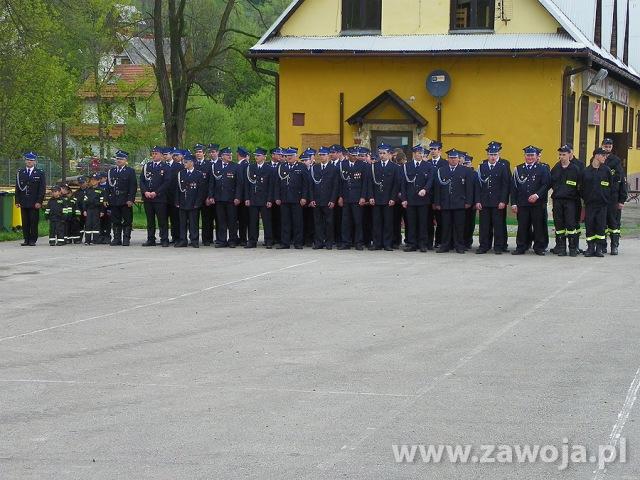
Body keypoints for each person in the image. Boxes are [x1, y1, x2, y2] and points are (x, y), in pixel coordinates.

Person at [510, 146, 550, 255]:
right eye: (528, 155)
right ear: (525, 156)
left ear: (536, 156)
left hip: (537, 203)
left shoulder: (542, 168)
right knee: (522, 226)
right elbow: (514, 188)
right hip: (522, 203)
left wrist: (537, 195)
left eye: (532, 155)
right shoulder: (518, 169)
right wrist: (513, 203)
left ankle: (539, 248)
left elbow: (546, 184)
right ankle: (521, 246)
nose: (530, 157)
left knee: (538, 226)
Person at [432, 149, 474, 253]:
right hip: (445, 203)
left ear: (458, 159)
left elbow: (468, 188)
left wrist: (469, 202)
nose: (453, 160)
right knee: (445, 225)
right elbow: (437, 188)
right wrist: (437, 202)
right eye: (451, 158)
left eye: (455, 158)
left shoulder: (465, 170)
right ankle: (445, 245)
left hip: (460, 203)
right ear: (447, 159)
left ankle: (459, 246)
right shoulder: (441, 170)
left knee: (459, 226)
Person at [475, 143, 510, 254]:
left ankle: (498, 246)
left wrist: (503, 201)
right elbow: (478, 186)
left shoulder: (502, 167)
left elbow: (505, 185)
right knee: (484, 226)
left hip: (497, 202)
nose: (493, 157)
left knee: (498, 225)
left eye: (495, 154)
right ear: (487, 155)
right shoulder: (482, 167)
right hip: (484, 201)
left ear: (498, 154)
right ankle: (484, 246)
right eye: (491, 154)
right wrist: (478, 200)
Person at [366, 144, 400, 251]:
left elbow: (396, 185)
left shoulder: (394, 167)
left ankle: (387, 243)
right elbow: (370, 183)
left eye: (384, 153)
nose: (381, 155)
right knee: (376, 222)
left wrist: (393, 198)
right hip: (376, 198)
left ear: (389, 154)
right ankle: (377, 243)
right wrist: (370, 196)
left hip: (388, 199)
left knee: (388, 223)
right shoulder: (374, 166)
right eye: (380, 153)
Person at [550, 144, 582, 257]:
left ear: (569, 154)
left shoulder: (575, 169)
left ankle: (573, 248)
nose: (562, 157)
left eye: (564, 154)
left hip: (571, 201)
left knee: (570, 225)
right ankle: (561, 248)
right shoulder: (556, 168)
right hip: (558, 200)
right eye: (560, 155)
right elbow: (549, 182)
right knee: (559, 225)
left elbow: (580, 186)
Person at [581, 148, 613, 257]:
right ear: (596, 156)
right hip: (590, 204)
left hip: (602, 204)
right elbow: (582, 188)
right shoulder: (586, 171)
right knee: (589, 226)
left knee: (601, 226)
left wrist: (605, 197)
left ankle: (599, 248)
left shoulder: (607, 170)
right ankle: (590, 248)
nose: (605, 157)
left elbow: (610, 187)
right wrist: (586, 198)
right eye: (603, 155)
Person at [274, 148, 309, 249]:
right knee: (285, 222)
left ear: (296, 156)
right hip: (284, 198)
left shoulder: (301, 166)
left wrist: (304, 197)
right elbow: (277, 184)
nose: (289, 157)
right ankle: (285, 243)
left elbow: (306, 184)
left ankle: (298, 243)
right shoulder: (282, 167)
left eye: (291, 155)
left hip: (297, 198)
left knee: (297, 222)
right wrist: (277, 197)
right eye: (287, 156)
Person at [400, 145, 433, 252]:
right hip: (410, 199)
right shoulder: (406, 166)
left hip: (423, 200)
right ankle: (412, 243)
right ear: (413, 154)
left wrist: (425, 189)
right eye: (418, 153)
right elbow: (403, 184)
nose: (420, 155)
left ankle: (423, 244)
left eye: (421, 153)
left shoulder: (428, 166)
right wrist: (404, 199)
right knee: (411, 223)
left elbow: (430, 180)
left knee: (423, 223)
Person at [208, 147, 241, 248]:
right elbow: (211, 183)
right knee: (221, 220)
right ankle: (222, 240)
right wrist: (211, 196)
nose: (230, 156)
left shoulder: (235, 166)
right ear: (222, 156)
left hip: (231, 198)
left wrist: (237, 197)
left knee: (232, 220)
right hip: (219, 198)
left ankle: (232, 240)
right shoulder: (215, 166)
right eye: (227, 154)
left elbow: (239, 184)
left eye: (230, 154)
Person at [337, 147, 368, 250]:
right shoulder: (342, 165)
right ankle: (346, 242)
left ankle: (358, 242)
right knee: (345, 222)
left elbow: (364, 183)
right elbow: (340, 183)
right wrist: (340, 196)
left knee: (358, 221)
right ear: (348, 155)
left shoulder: (362, 165)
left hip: (357, 197)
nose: (355, 157)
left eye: (356, 155)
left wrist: (363, 197)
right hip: (346, 197)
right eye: (353, 155)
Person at [309, 146, 340, 250]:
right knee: (317, 222)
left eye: (324, 155)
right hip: (317, 199)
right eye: (320, 155)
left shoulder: (334, 168)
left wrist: (332, 200)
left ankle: (329, 242)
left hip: (328, 200)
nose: (322, 157)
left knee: (329, 222)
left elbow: (335, 186)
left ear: (328, 156)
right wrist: (312, 199)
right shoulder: (315, 168)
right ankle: (318, 242)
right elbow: (311, 185)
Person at [601, 138, 628, 255]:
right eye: (605, 146)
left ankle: (614, 245)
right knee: (601, 222)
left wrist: (622, 200)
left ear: (611, 147)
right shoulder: (596, 158)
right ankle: (602, 246)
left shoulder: (616, 161)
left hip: (613, 197)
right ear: (602, 146)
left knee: (614, 223)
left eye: (609, 146)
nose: (607, 148)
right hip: (601, 196)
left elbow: (621, 181)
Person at [175, 153, 207, 248]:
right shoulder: (181, 173)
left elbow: (201, 190)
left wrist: (198, 203)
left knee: (193, 223)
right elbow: (177, 189)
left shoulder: (198, 174)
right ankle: (183, 240)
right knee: (182, 223)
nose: (184, 163)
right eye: (184, 161)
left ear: (191, 163)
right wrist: (177, 201)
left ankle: (194, 240)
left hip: (193, 203)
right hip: (182, 202)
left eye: (186, 162)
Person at [244, 148, 275, 248]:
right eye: (255, 155)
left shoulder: (269, 168)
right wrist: (247, 198)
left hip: (265, 199)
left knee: (267, 221)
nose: (256, 157)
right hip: (253, 198)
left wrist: (270, 200)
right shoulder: (251, 167)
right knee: (252, 221)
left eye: (258, 155)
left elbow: (271, 186)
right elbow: (247, 185)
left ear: (264, 157)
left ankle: (268, 240)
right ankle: (252, 241)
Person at [140, 146, 170, 247]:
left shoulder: (165, 167)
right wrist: (145, 192)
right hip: (148, 197)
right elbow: (142, 181)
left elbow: (167, 182)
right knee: (150, 220)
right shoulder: (147, 166)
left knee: (162, 220)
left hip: (159, 198)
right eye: (153, 153)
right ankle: (151, 239)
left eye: (156, 153)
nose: (154, 155)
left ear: (161, 155)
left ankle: (164, 239)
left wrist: (156, 192)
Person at [106, 150, 137, 246]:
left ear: (125, 160)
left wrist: (131, 199)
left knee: (127, 220)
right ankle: (116, 238)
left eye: (121, 159)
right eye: (117, 159)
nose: (119, 161)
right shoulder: (111, 171)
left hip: (125, 199)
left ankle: (126, 238)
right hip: (114, 199)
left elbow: (133, 186)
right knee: (115, 220)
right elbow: (108, 187)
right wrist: (106, 198)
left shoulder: (130, 171)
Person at [14, 151, 46, 246]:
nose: (29, 162)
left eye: (31, 160)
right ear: (25, 161)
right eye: (27, 160)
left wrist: (39, 201)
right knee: (25, 221)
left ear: (35, 162)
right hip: (23, 201)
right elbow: (17, 188)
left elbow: (42, 189)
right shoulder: (21, 172)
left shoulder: (39, 173)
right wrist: (17, 201)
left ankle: (33, 240)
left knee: (33, 221)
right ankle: (26, 239)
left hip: (34, 201)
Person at [426, 140, 447, 249]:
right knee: (428, 221)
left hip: (441, 197)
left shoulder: (445, 163)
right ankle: (429, 242)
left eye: (435, 149)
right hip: (428, 197)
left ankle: (439, 241)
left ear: (440, 151)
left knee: (441, 221)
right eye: (431, 149)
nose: (432, 151)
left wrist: (437, 200)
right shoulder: (427, 163)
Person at [193, 144, 214, 246]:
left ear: (204, 153)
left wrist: (209, 196)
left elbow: (211, 182)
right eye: (197, 152)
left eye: (200, 152)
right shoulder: (192, 164)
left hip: (205, 197)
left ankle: (207, 239)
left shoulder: (209, 165)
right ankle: (195, 239)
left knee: (207, 219)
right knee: (194, 219)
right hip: (195, 197)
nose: (198, 154)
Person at [166, 148, 184, 243]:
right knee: (164, 219)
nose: (165, 156)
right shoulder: (163, 165)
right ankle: (164, 238)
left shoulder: (179, 166)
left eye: (167, 154)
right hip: (164, 196)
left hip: (175, 196)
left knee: (175, 218)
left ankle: (176, 237)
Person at [460, 152, 478, 250]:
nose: (466, 165)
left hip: (471, 203)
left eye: (468, 163)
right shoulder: (460, 172)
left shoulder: (474, 174)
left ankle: (468, 242)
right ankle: (460, 241)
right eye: (464, 163)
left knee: (469, 223)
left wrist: (475, 202)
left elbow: (476, 189)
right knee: (460, 223)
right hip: (460, 202)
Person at [82, 173, 106, 245]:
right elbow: (84, 201)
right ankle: (87, 240)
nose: (93, 181)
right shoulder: (88, 190)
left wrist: (102, 211)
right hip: (89, 209)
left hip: (97, 209)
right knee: (88, 224)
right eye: (92, 180)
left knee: (96, 224)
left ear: (98, 181)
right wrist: (84, 210)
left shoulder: (101, 190)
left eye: (95, 180)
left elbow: (102, 202)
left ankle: (95, 240)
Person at [236, 147, 251, 246]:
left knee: (242, 219)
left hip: (241, 197)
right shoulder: (246, 164)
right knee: (243, 219)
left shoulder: (242, 165)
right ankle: (242, 238)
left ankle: (243, 238)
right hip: (244, 196)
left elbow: (241, 182)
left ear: (238, 154)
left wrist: (240, 197)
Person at [269, 147, 283, 245]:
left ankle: (278, 238)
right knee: (269, 219)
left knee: (279, 218)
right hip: (268, 197)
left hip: (279, 197)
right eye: (278, 154)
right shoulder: (266, 165)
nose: (280, 156)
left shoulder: (282, 166)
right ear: (273, 155)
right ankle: (270, 238)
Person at [96, 173, 112, 244]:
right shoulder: (97, 186)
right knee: (100, 221)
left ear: (105, 178)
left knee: (107, 221)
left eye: (101, 178)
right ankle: (101, 235)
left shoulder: (109, 186)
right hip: (99, 206)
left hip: (108, 206)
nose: (99, 180)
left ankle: (107, 236)